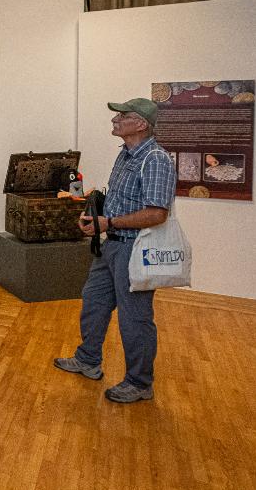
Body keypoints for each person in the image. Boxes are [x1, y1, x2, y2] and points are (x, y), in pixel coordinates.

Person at [54, 97, 176, 403]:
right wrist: (94, 214)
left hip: (134, 248)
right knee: (94, 301)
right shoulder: (125, 154)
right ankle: (88, 359)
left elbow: (157, 213)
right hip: (112, 244)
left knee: (135, 318)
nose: (115, 120)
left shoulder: (156, 160)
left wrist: (109, 222)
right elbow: (120, 200)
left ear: (141, 124)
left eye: (122, 116)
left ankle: (139, 382)